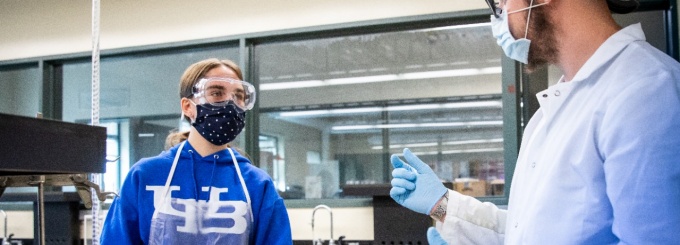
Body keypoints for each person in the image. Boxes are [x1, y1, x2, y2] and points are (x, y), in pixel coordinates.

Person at [390, 0, 680, 244]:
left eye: (501, 2)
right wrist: (441, 205)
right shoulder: (549, 114)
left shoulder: (646, 91)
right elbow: (524, 231)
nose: (499, 15)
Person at [100, 58, 293, 244]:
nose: (230, 103)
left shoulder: (257, 185)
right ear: (187, 107)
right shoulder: (145, 176)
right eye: (217, 93)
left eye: (239, 96)